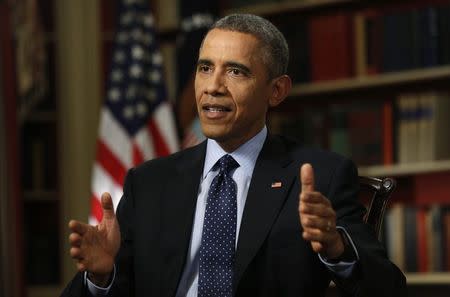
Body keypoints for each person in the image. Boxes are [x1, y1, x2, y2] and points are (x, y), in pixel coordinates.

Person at [62, 13, 406, 297]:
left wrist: (336, 247)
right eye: (205, 68)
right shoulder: (150, 182)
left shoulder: (321, 177)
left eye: (236, 71)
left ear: (276, 91)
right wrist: (102, 277)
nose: (213, 86)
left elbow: (388, 289)